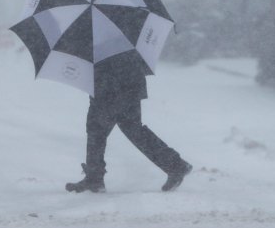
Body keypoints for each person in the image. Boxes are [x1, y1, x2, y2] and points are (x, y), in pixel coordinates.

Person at [66, 52, 192, 193]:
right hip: (127, 81)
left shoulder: (96, 36)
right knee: (130, 129)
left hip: (111, 84)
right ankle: (176, 165)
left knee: (98, 130)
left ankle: (95, 178)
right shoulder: (123, 36)